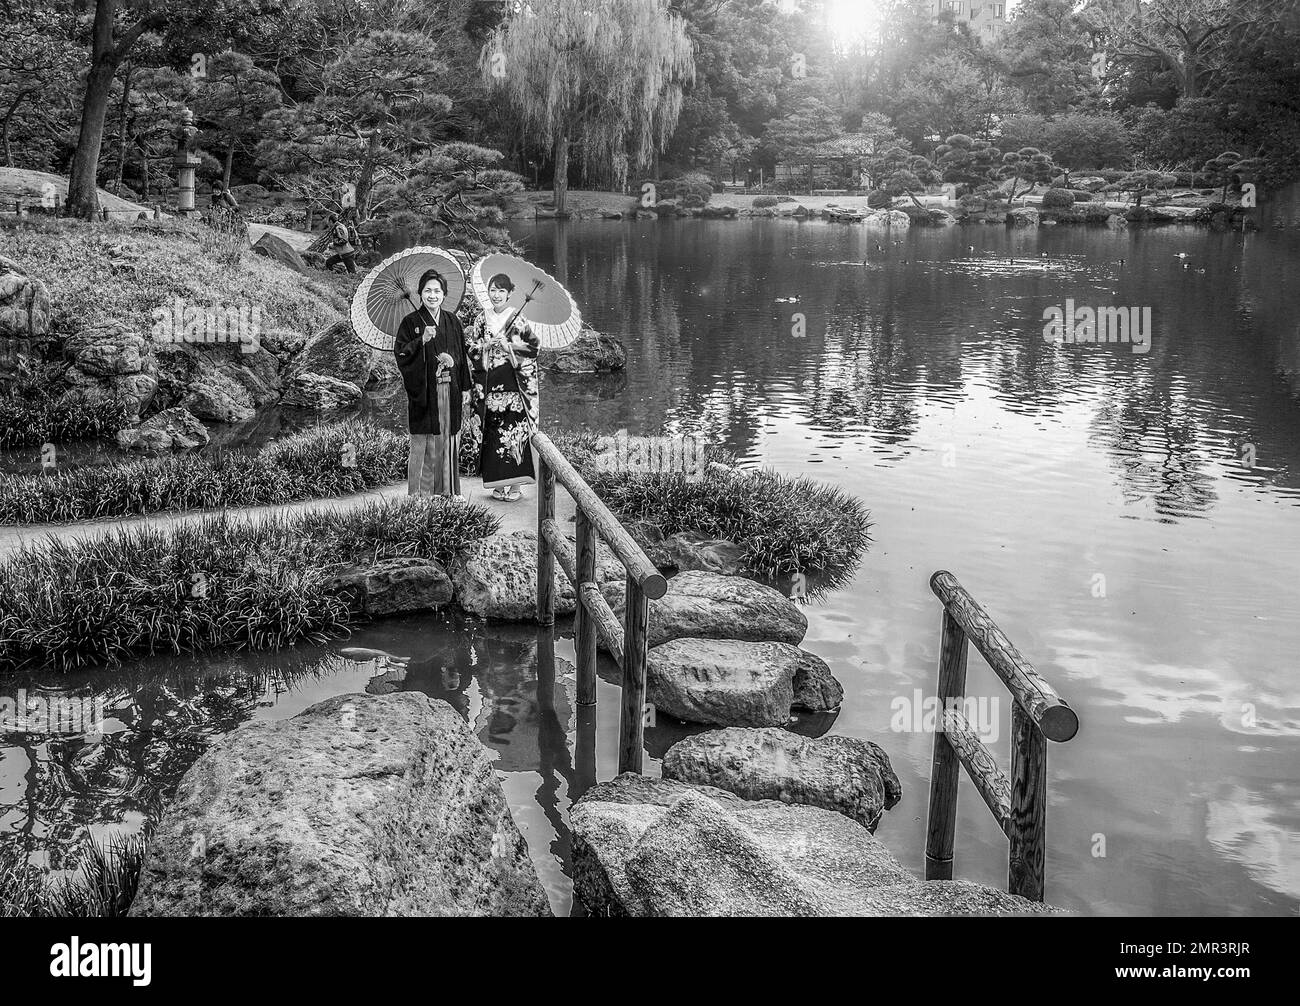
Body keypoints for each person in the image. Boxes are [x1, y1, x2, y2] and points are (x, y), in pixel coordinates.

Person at [393, 270, 473, 497]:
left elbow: (461, 355)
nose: (432, 295)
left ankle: (448, 491)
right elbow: (401, 355)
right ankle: (419, 494)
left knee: (449, 437)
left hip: (451, 390)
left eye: (437, 291)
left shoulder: (452, 321)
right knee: (422, 441)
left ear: (444, 294)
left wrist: (466, 386)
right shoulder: (410, 323)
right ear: (419, 294)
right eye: (427, 290)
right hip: (426, 392)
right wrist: (421, 341)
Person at [466, 273, 540, 502]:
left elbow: (534, 348)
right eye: (493, 290)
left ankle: (516, 485)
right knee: (493, 434)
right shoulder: (481, 319)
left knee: (515, 433)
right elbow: (471, 348)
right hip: (488, 386)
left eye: (501, 291)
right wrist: (485, 346)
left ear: (509, 294)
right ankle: (497, 485)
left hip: (514, 386)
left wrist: (510, 347)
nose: (496, 295)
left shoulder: (518, 319)